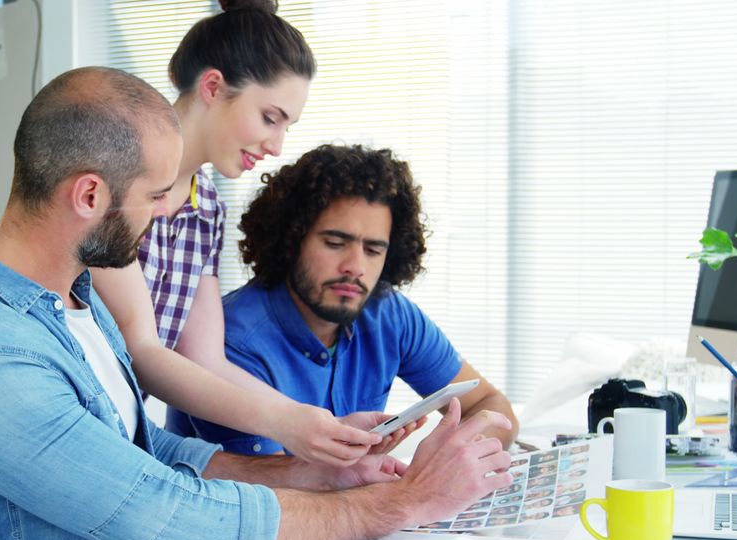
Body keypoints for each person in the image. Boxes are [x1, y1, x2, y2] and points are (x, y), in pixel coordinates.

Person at [0, 67, 514, 540]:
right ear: (89, 196)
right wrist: (403, 502)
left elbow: (147, 451)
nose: (166, 215)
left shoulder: (72, 302)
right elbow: (169, 518)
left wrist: (314, 473)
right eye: (155, 195)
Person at [90, 0, 407, 466]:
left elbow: (207, 361)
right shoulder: (122, 175)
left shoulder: (206, 208)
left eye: (287, 126)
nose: (276, 146)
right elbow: (140, 351)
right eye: (269, 117)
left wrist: (310, 422)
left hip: (116, 432)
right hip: (61, 419)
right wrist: (288, 423)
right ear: (214, 87)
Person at [176, 144, 521, 454]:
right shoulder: (231, 341)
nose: (355, 267)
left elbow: (490, 404)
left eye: (373, 250)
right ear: (291, 239)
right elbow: (273, 493)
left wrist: (456, 454)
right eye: (335, 243)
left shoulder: (389, 314)